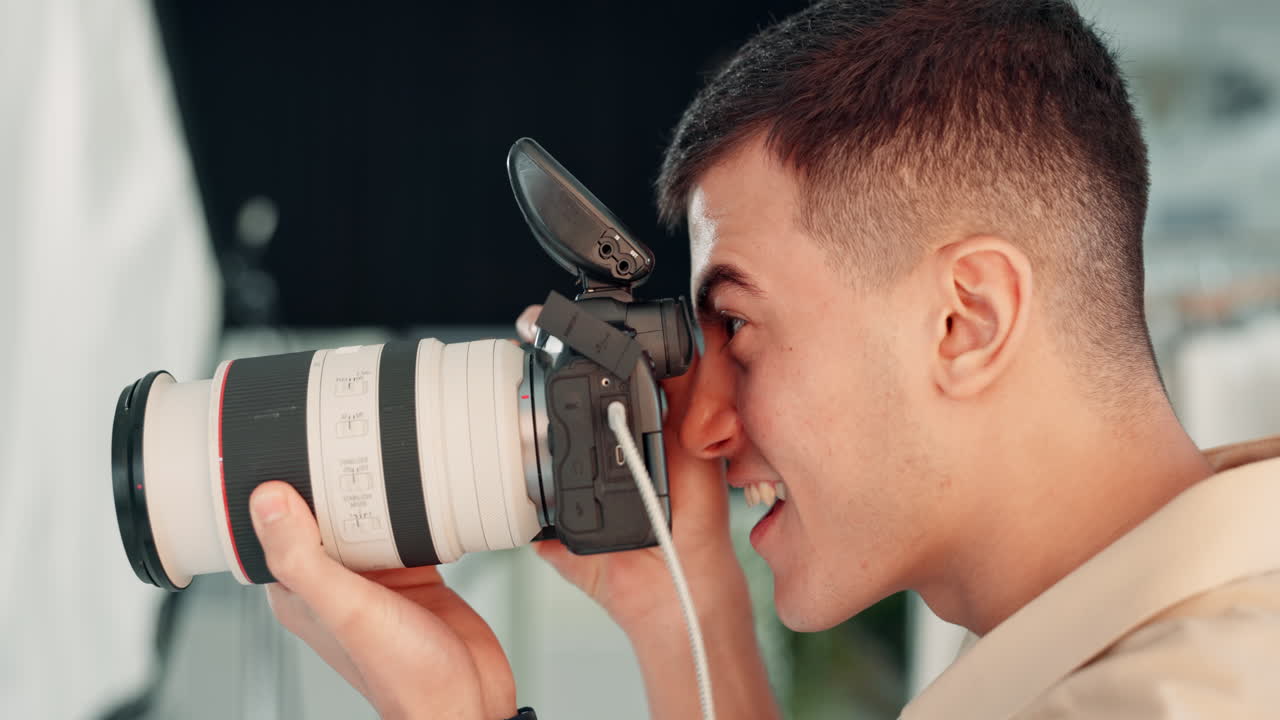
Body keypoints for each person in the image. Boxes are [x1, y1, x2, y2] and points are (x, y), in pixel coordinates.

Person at [245, 1, 1280, 717]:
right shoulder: (1135, 643)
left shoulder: (1182, 699)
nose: (700, 425)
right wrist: (683, 602)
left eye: (737, 326)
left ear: (965, 319)